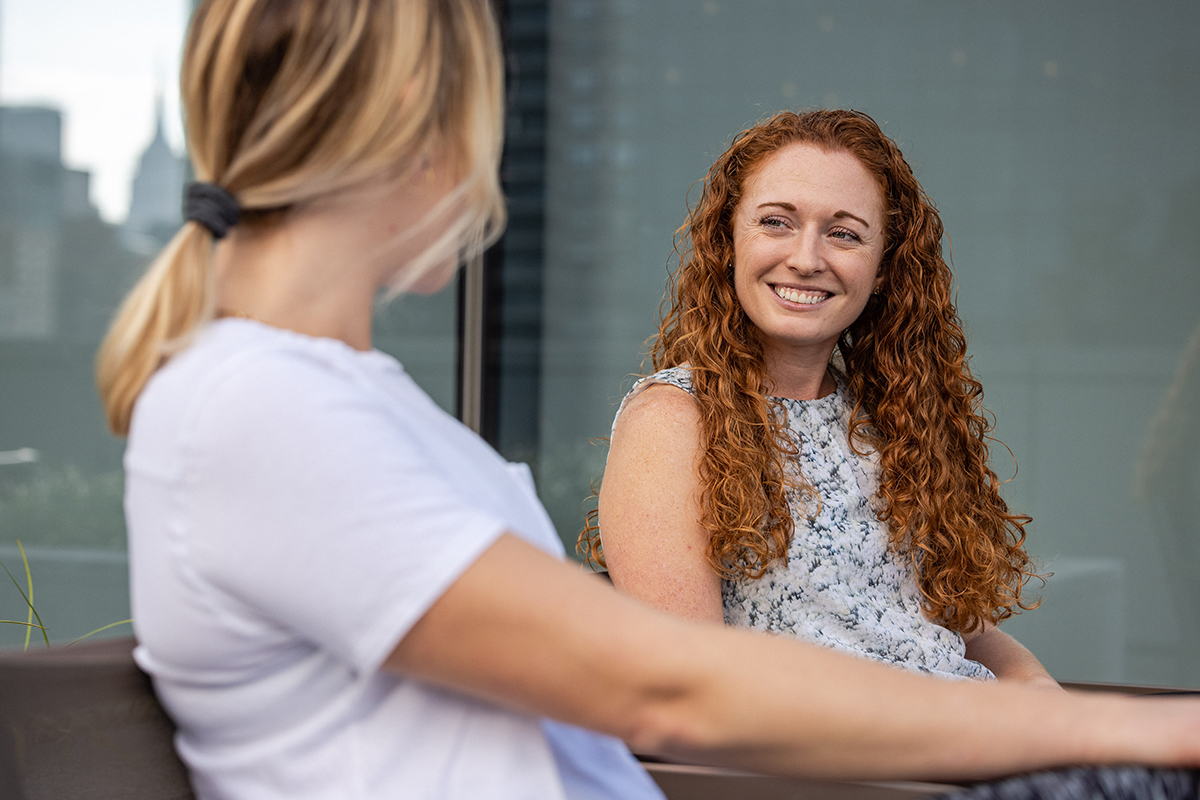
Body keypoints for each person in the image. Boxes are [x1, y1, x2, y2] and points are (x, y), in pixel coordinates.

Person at [96, 1, 1200, 798]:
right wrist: (1124, 729)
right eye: (491, 132)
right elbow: (669, 692)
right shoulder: (259, 409)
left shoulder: (349, 403)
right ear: (416, 134)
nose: (492, 181)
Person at [583, 109, 1059, 687]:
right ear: (728, 241)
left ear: (884, 266)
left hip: (968, 738)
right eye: (777, 222)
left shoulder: (897, 417)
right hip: (851, 767)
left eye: (844, 233)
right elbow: (690, 685)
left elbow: (954, 627)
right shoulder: (675, 420)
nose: (807, 259)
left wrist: (1043, 701)